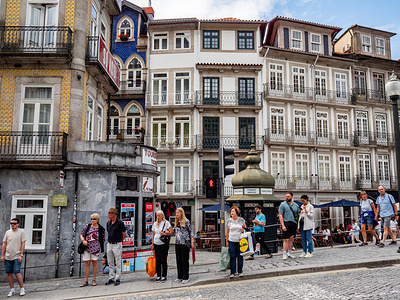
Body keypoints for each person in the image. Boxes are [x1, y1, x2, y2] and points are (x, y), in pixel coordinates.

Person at [1, 218, 26, 297]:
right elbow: (4, 243)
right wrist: (2, 255)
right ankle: (12, 289)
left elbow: (23, 244)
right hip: (8, 256)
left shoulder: (21, 232)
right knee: (9, 273)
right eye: (11, 223)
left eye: (14, 223)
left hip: (17, 255)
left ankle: (22, 288)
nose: (12, 225)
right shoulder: (8, 232)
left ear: (18, 224)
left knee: (17, 273)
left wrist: (21, 255)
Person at [79, 213, 105, 287]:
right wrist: (83, 240)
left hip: (95, 248)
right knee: (87, 263)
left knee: (94, 262)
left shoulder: (101, 229)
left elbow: (103, 239)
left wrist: (98, 245)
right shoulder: (87, 226)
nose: (92, 220)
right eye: (91, 219)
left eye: (94, 219)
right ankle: (86, 280)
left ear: (97, 220)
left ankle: (94, 279)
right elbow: (81, 234)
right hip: (86, 247)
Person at [105, 208, 126, 286]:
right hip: (109, 244)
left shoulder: (120, 223)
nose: (108, 215)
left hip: (117, 243)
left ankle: (117, 278)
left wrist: (120, 241)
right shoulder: (108, 223)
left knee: (117, 262)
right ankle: (111, 277)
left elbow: (124, 234)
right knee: (110, 261)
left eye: (109, 213)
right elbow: (108, 232)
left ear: (114, 214)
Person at [152, 210, 174, 283]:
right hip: (156, 243)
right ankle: (158, 275)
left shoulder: (166, 223)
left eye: (159, 215)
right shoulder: (155, 224)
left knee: (163, 260)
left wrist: (165, 233)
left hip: (163, 244)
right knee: (157, 260)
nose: (157, 217)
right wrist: (152, 244)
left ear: (162, 216)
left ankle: (164, 275)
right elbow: (153, 234)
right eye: (157, 215)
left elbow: (172, 232)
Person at [174, 207, 194, 284]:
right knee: (178, 260)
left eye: (177, 213)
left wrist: (192, 241)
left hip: (184, 242)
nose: (176, 214)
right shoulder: (176, 222)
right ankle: (180, 276)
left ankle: (186, 276)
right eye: (176, 213)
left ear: (181, 213)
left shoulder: (186, 221)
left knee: (184, 260)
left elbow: (191, 231)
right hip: (177, 242)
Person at [226, 206, 246, 277]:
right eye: (231, 212)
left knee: (240, 256)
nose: (232, 213)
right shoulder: (229, 221)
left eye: (233, 211)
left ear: (236, 212)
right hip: (231, 240)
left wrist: (243, 230)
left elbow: (245, 228)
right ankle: (232, 272)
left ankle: (240, 271)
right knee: (232, 256)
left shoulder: (241, 220)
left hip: (240, 240)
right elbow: (227, 232)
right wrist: (227, 241)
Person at [278, 192, 299, 259]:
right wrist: (283, 225)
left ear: (292, 197)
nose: (287, 198)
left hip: (293, 223)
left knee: (291, 238)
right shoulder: (282, 205)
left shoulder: (296, 205)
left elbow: (297, 216)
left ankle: (289, 252)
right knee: (285, 239)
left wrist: (297, 226)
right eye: (286, 196)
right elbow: (280, 215)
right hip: (286, 222)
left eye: (288, 196)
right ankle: (284, 253)